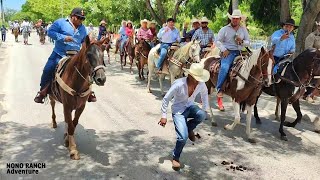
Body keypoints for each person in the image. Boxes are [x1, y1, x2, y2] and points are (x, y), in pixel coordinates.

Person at [34, 8, 97, 103]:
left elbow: (84, 41)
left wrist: (90, 43)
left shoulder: (83, 28)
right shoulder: (60, 22)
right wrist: (63, 38)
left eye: (82, 18)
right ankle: (43, 92)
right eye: (79, 18)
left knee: (88, 69)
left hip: (75, 55)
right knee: (48, 69)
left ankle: (88, 92)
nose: (81, 20)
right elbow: (50, 32)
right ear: (72, 16)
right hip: (59, 53)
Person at [158, 63, 210, 169]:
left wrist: (205, 109)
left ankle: (188, 128)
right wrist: (164, 116)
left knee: (201, 115)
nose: (198, 80)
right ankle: (175, 157)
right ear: (190, 76)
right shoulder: (178, 84)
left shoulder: (201, 84)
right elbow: (166, 99)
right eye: (196, 78)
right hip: (178, 111)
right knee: (182, 138)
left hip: (190, 107)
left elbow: (205, 95)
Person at [215, 10, 250, 100]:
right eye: (233, 18)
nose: (235, 20)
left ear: (240, 20)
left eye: (237, 19)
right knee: (225, 67)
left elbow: (248, 42)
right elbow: (217, 41)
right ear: (231, 19)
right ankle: (219, 89)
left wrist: (242, 41)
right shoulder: (225, 29)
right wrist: (224, 49)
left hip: (240, 52)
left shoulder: (243, 29)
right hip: (228, 52)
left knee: (251, 67)